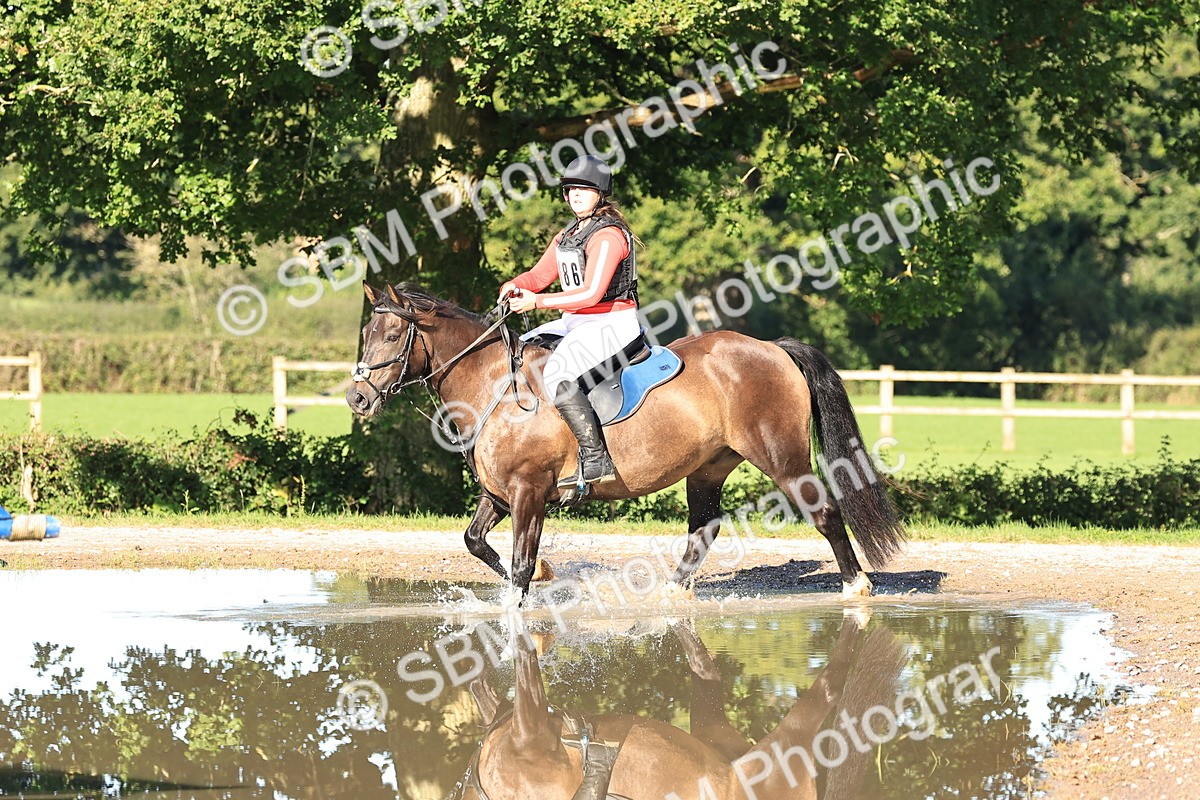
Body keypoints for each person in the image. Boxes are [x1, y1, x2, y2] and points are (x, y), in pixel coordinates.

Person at [499, 154, 640, 487]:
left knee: (558, 372)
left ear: (600, 194)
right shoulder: (569, 234)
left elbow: (591, 294)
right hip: (575, 322)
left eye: (584, 189)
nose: (575, 194)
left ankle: (596, 459)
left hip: (611, 324)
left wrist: (538, 302)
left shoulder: (608, 236)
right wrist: (517, 285)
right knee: (519, 354)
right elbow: (539, 275)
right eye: (571, 188)